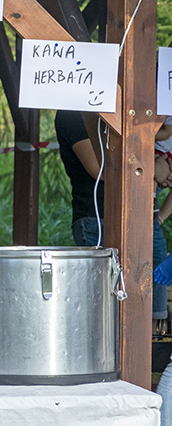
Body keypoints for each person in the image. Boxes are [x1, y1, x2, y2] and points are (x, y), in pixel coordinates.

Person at [55, 109, 168, 327]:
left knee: (151, 314)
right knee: (107, 320)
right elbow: (101, 169)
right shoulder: (72, 112)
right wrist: (154, 166)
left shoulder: (132, 107)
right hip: (98, 221)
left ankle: (151, 359)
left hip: (146, 220)